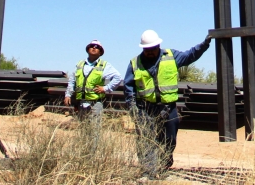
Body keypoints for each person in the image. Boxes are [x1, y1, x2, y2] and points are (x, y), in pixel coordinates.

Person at [123, 29, 211, 179]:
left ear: (158, 45)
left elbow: (190, 55)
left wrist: (205, 44)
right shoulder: (134, 63)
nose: (150, 52)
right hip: (145, 108)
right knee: (146, 140)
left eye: (152, 48)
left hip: (168, 108)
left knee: (169, 139)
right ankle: (148, 172)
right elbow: (128, 85)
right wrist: (132, 107)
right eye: (147, 49)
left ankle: (163, 166)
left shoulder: (171, 56)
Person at [63, 39, 122, 120]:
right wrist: (68, 95)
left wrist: (105, 88)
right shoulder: (80, 64)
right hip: (81, 104)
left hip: (95, 104)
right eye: (91, 46)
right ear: (87, 49)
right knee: (83, 129)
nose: (94, 48)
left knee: (94, 130)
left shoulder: (104, 65)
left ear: (100, 52)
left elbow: (118, 77)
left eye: (97, 47)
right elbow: (72, 81)